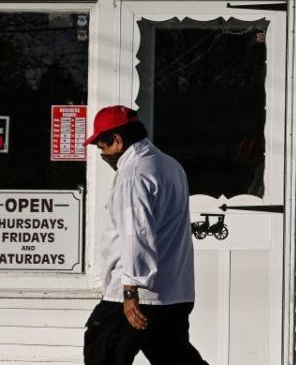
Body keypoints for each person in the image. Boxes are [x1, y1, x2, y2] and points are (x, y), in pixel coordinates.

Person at [82, 105, 207, 365]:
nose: (103, 155)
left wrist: (130, 293)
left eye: (102, 147)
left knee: (103, 352)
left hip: (136, 294)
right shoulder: (169, 165)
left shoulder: (134, 174)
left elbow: (136, 234)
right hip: (174, 292)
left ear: (117, 140)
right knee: (175, 358)